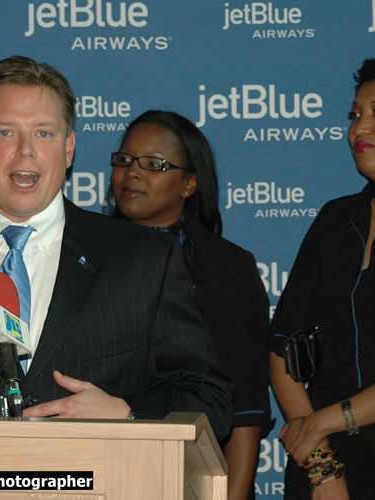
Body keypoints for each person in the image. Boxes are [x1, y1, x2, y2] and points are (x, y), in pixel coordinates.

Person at [0, 56, 233, 439]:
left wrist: (126, 412)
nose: (25, 150)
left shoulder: (146, 261)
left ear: (68, 148)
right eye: (5, 133)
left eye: (44, 133)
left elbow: (209, 399)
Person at [107, 110, 270, 500]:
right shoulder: (87, 256)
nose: (132, 173)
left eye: (154, 164)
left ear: (189, 184)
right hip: (105, 468)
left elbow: (244, 412)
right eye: (124, 160)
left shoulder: (225, 268)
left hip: (192, 478)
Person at [269, 54, 375, 499]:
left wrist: (323, 422)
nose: (360, 129)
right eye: (355, 115)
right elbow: (283, 348)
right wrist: (322, 468)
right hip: (321, 461)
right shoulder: (336, 219)